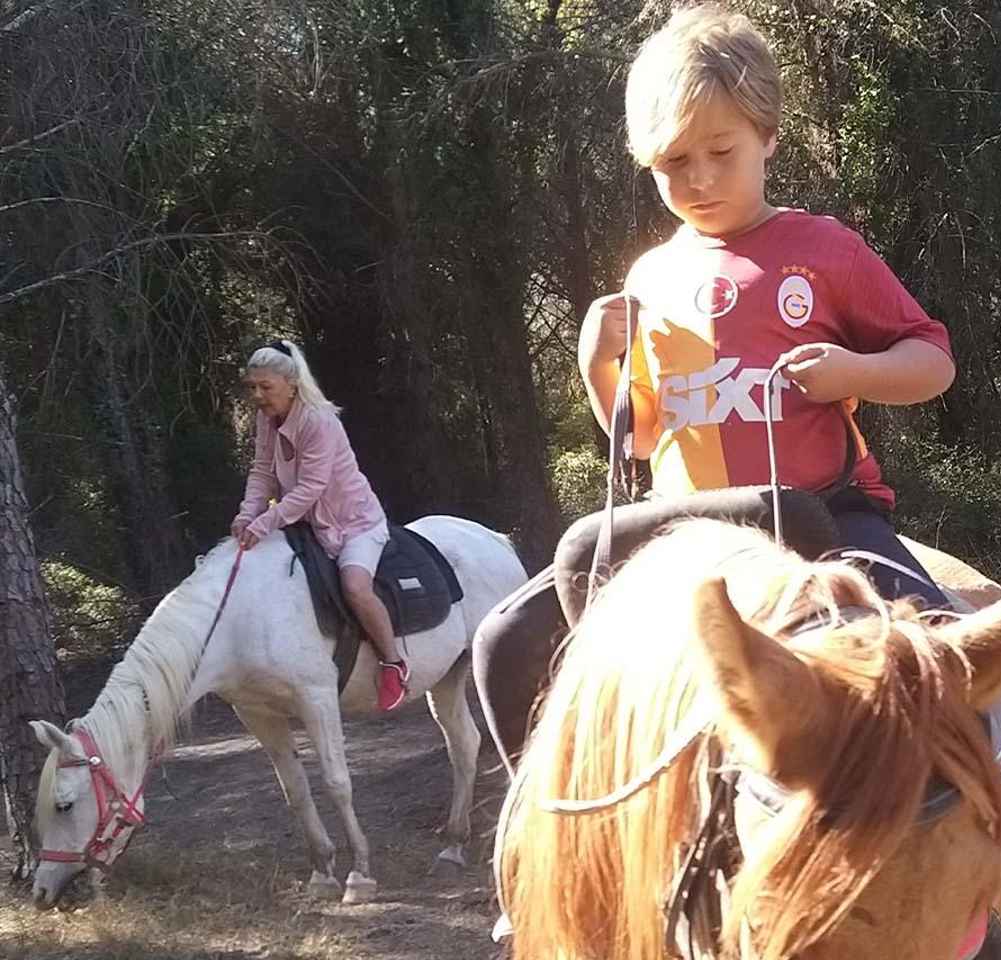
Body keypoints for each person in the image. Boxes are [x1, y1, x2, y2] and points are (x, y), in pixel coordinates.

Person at [474, 4, 956, 771]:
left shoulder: (824, 249)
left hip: (818, 518)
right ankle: (547, 858)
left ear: (768, 136)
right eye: (673, 162)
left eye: (720, 152)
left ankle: (961, 848)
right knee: (506, 641)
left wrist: (854, 372)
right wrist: (596, 364)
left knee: (941, 648)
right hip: (679, 529)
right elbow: (636, 435)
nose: (698, 179)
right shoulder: (650, 275)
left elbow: (933, 361)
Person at [231, 339, 409, 712]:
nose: (259, 396)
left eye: (267, 387)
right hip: (310, 525)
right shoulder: (267, 421)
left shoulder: (318, 421)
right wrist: (247, 514)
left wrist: (264, 523)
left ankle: (394, 663)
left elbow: (311, 488)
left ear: (291, 384)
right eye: (253, 387)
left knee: (355, 587)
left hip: (356, 524)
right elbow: (262, 472)